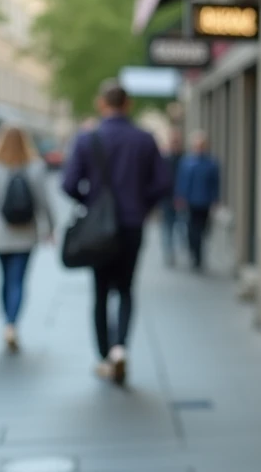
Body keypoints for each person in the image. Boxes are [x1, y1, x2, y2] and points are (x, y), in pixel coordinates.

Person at [62, 80, 170, 384]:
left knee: (99, 293)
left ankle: (105, 356)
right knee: (125, 289)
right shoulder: (144, 139)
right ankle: (121, 348)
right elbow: (163, 183)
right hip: (132, 225)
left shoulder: (87, 139)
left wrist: (93, 204)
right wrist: (142, 205)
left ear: (101, 104)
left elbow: (68, 185)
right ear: (128, 104)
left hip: (99, 231)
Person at [0, 125, 56, 353]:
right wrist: (51, 228)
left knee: (4, 278)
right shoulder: (36, 167)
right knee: (18, 280)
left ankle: (7, 323)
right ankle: (13, 323)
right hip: (26, 233)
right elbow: (44, 201)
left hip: (0, 233)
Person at [174, 131, 220, 271]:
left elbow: (215, 183)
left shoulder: (211, 163)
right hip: (191, 201)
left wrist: (215, 199)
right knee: (191, 230)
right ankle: (194, 253)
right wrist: (180, 197)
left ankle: (198, 255)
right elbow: (182, 181)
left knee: (202, 230)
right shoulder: (187, 162)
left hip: (204, 202)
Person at [158, 128, 185, 267]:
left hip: (182, 200)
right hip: (167, 200)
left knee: (182, 228)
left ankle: (183, 252)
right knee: (167, 228)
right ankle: (169, 254)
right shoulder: (164, 160)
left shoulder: (186, 159)